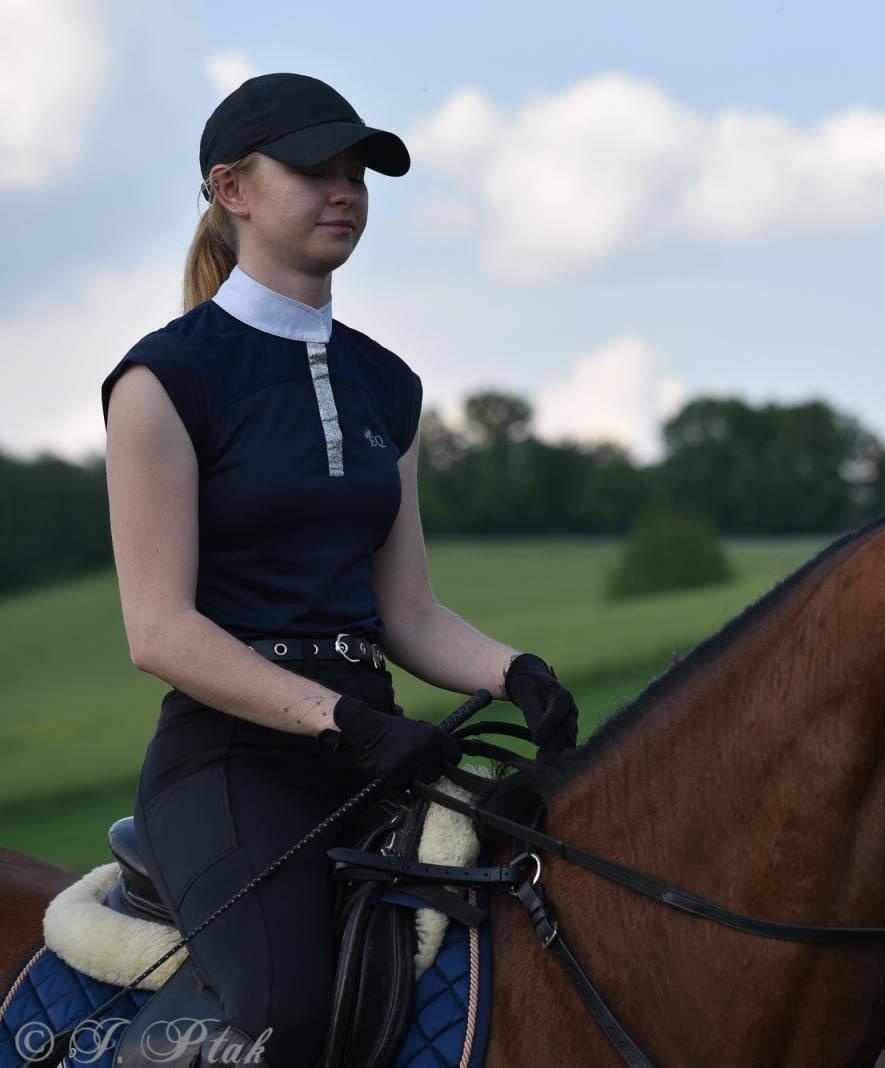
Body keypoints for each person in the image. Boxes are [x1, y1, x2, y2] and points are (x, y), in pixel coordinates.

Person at [102, 73, 578, 1067]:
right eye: (313, 169)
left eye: (356, 169)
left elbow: (406, 612)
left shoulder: (386, 384)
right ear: (229, 189)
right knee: (290, 1016)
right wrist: (343, 723)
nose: (344, 189)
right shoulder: (165, 379)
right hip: (233, 767)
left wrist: (513, 673)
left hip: (380, 751)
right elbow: (160, 631)